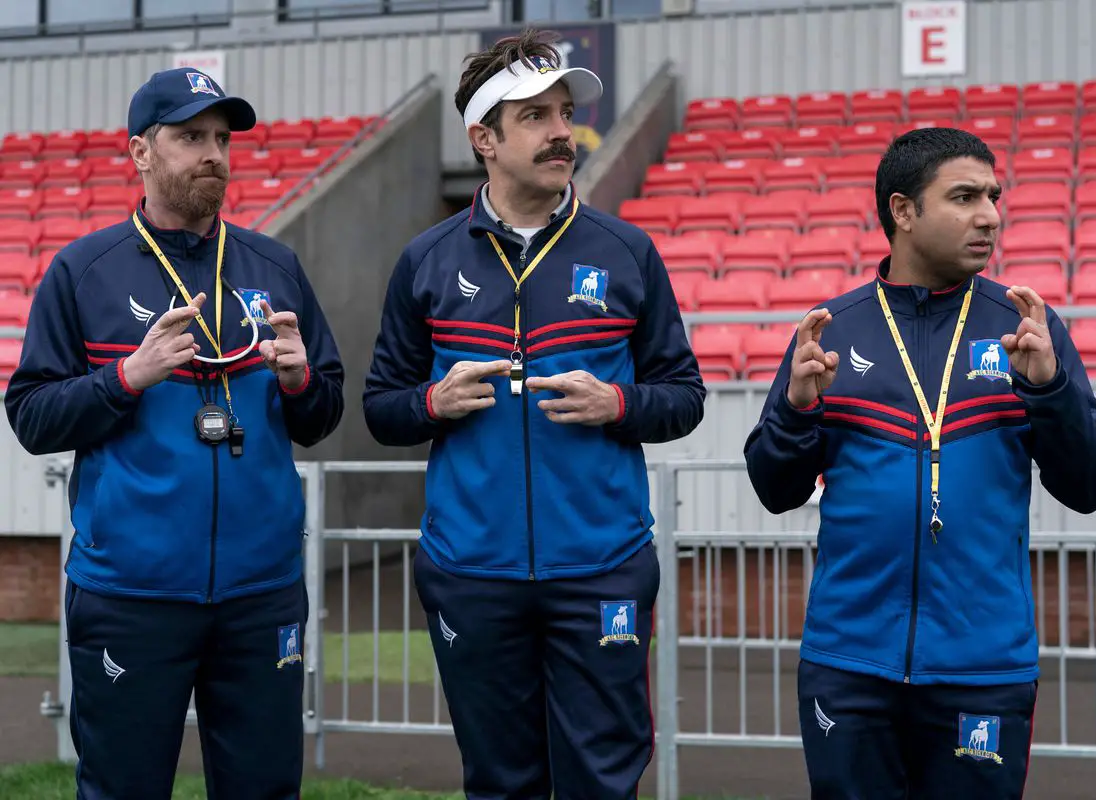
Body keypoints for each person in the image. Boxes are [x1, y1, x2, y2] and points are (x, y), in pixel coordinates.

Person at [362, 28, 705, 800]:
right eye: (536, 116)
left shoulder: (626, 252)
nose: (562, 132)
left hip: (601, 566)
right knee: (500, 780)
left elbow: (684, 396)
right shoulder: (426, 261)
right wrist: (432, 402)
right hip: (470, 570)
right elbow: (382, 409)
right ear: (483, 139)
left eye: (565, 113)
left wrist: (617, 403)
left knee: (603, 780)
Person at [744, 128, 1096, 799]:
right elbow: (774, 489)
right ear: (904, 211)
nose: (990, 216)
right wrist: (798, 411)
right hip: (849, 662)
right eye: (965, 197)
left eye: (994, 197)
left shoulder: (1024, 327)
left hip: (982, 666)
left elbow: (1090, 485)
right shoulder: (835, 330)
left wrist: (1050, 391)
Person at [4, 67, 344, 799]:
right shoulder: (82, 271)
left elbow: (323, 416)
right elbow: (31, 416)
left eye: (222, 138)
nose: (213, 153)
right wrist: (127, 376)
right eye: (191, 137)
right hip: (130, 594)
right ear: (140, 151)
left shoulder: (275, 266)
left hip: (261, 593)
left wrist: (300, 383)